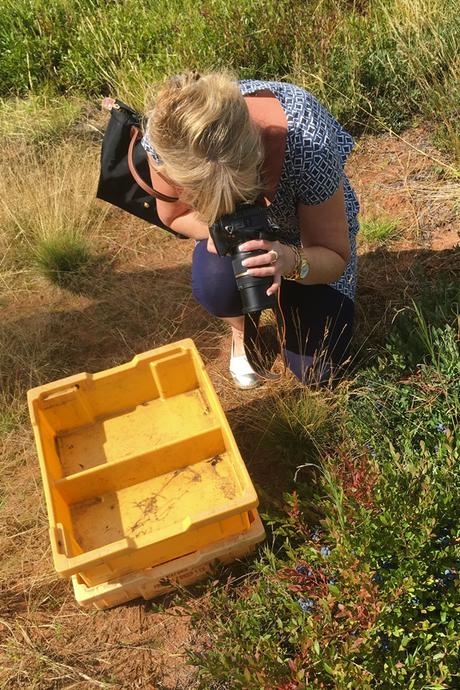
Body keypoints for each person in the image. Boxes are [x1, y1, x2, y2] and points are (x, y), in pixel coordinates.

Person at [142, 71, 360, 388]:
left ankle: (293, 300)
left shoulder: (307, 139)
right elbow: (174, 216)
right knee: (216, 287)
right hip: (238, 237)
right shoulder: (166, 138)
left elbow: (334, 254)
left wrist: (291, 261)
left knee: (317, 371)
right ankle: (242, 329)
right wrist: (219, 230)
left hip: (309, 237)